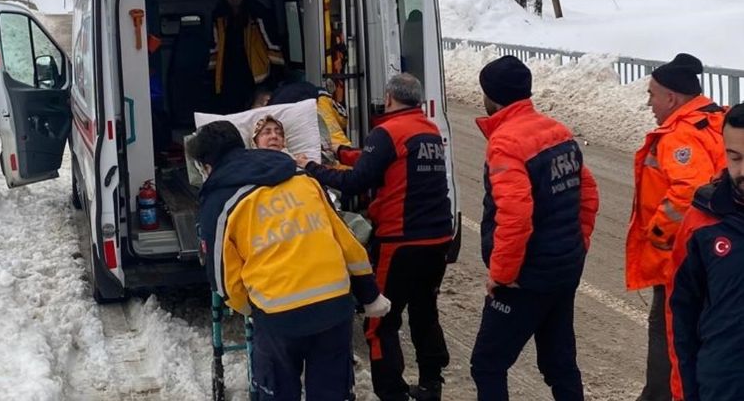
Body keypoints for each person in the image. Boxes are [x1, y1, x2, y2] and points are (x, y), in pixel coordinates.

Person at [189, 121, 391, 401]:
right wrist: (369, 294)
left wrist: (253, 308)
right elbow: (347, 242)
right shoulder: (300, 177)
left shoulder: (218, 202)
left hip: (278, 315)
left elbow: (224, 278)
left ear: (205, 165)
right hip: (335, 306)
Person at [297, 73, 453, 401]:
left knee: (380, 319)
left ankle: (392, 392)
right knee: (425, 311)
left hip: (400, 241)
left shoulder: (387, 132)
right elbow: (380, 162)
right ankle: (430, 383)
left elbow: (357, 181)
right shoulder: (428, 130)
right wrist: (341, 152)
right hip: (437, 239)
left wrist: (312, 167)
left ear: (389, 98)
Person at [470, 56, 599, 401]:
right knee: (560, 364)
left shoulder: (505, 143)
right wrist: (578, 244)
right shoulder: (558, 131)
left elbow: (515, 215)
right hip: (563, 269)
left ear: (492, 97)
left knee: (487, 364)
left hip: (524, 277)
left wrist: (501, 274)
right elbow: (588, 193)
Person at [625, 53, 726, 401]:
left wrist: (658, 235)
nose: (649, 102)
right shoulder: (717, 121)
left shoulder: (680, 136)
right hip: (719, 254)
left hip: (680, 259)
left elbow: (687, 192)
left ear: (672, 97)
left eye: (652, 94)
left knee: (668, 336)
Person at [667, 103, 744, 401]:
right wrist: (684, 392)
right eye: (734, 157)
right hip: (722, 383)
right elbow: (681, 315)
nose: (741, 170)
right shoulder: (702, 221)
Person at [209, 0, 284, 113]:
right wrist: (212, 73)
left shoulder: (257, 15)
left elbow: (271, 43)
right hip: (228, 71)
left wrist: (276, 72)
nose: (234, 0)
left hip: (254, 72)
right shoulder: (220, 17)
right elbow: (215, 46)